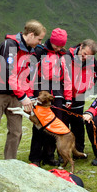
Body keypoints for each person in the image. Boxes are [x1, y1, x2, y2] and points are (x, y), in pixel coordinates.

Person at [0, 20, 46, 160]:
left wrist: (29, 97)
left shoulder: (31, 51)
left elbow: (26, 77)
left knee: (16, 131)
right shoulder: (9, 45)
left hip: (15, 95)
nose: (40, 43)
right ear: (30, 35)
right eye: (39, 39)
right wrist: (23, 97)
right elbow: (7, 73)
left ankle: (10, 162)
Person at [29, 28, 72, 166]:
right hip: (41, 91)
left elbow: (67, 77)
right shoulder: (39, 52)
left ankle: (49, 156)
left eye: (61, 45)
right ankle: (35, 158)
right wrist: (31, 94)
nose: (59, 48)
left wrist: (69, 97)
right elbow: (32, 74)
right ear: (51, 41)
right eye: (56, 45)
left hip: (58, 92)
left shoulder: (63, 55)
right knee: (38, 125)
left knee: (54, 125)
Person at [63, 39, 97, 155]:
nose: (85, 57)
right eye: (84, 54)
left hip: (79, 96)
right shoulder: (66, 57)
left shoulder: (93, 63)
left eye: (89, 56)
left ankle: (79, 151)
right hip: (65, 96)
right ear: (81, 46)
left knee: (78, 125)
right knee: (63, 125)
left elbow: (95, 76)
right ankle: (63, 153)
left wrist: (86, 87)